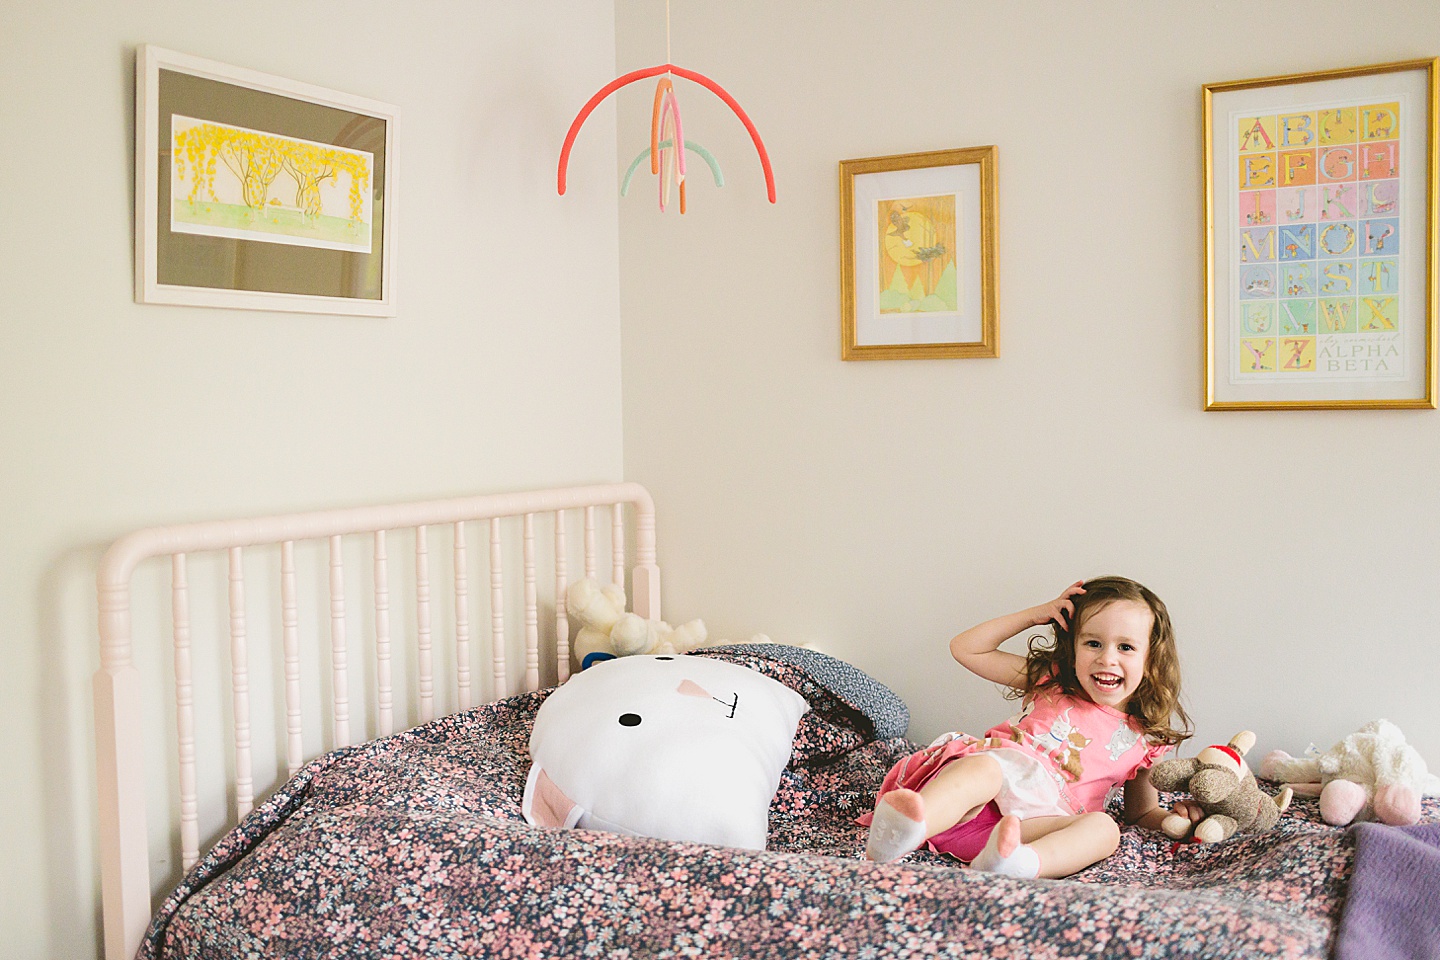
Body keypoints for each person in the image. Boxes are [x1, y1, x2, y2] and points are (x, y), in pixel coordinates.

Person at [862, 576, 1200, 878]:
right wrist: (1036, 614)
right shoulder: (1052, 681)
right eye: (1093, 643)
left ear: (1151, 659)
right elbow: (966, 648)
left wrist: (1179, 823)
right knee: (983, 767)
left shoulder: (1146, 738)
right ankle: (906, 831)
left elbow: (1141, 814)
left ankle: (1018, 864)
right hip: (967, 811)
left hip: (1023, 831)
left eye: (1125, 647)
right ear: (1073, 647)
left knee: (1105, 829)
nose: (1106, 658)